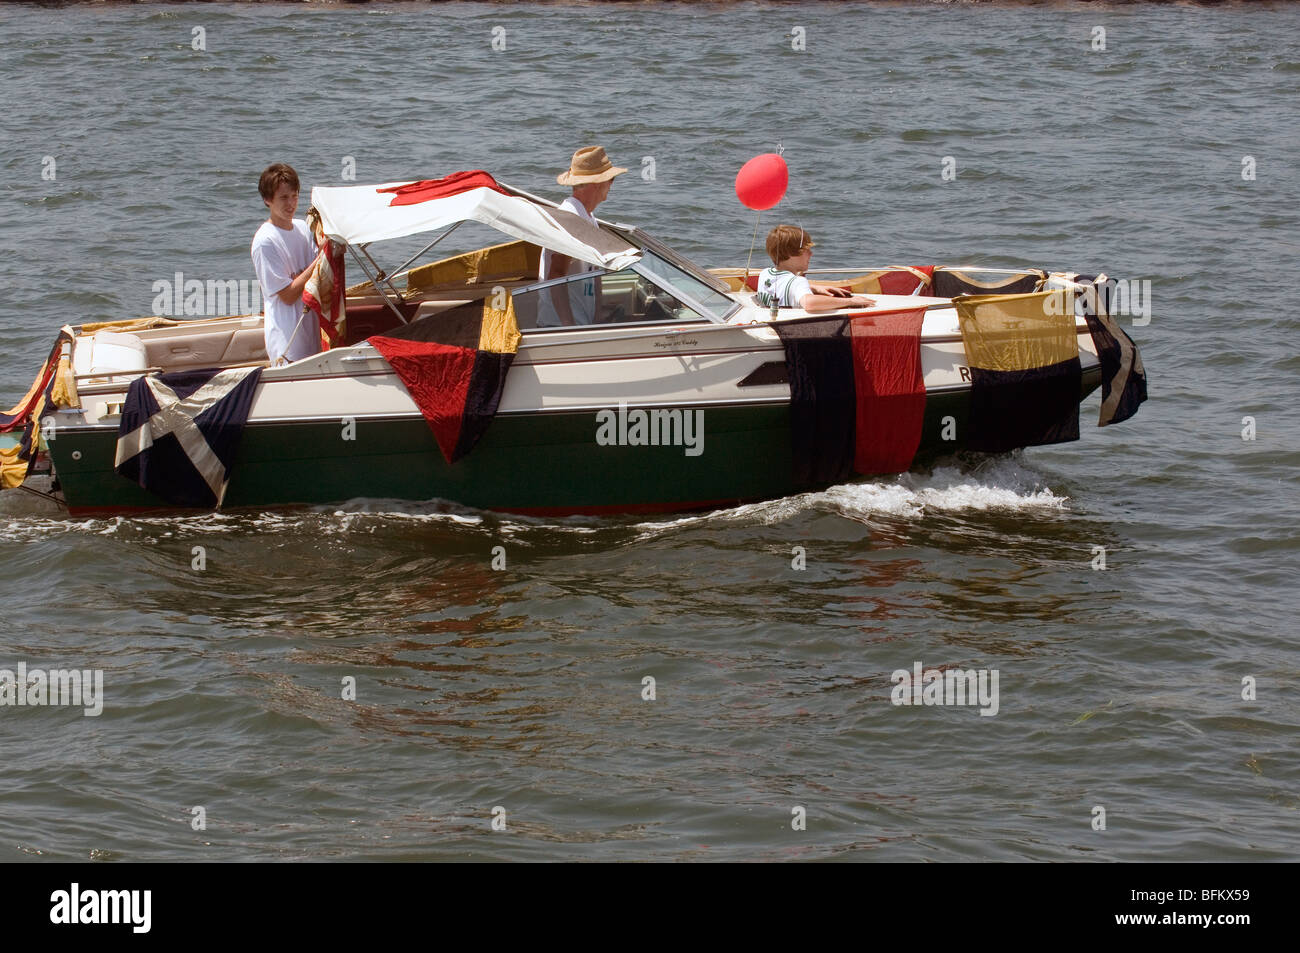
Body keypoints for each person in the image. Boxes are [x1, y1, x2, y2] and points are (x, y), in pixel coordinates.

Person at [536, 146, 627, 327]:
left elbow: (596, 273)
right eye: (611, 179)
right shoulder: (571, 218)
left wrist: (598, 315)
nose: (611, 185)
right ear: (598, 183)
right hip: (558, 326)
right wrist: (568, 325)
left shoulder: (588, 218)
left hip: (581, 322)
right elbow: (556, 274)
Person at [251, 163, 324, 365]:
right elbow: (288, 295)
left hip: (311, 333)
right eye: (283, 198)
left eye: (294, 196)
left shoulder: (302, 228)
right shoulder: (265, 241)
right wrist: (321, 259)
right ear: (267, 200)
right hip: (287, 342)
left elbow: (321, 274)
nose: (291, 204)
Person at [757, 225, 875, 313]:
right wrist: (851, 302)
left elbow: (782, 287)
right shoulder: (798, 282)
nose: (811, 254)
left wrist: (813, 288)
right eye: (806, 250)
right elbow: (809, 303)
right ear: (791, 254)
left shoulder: (765, 274)